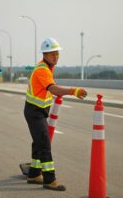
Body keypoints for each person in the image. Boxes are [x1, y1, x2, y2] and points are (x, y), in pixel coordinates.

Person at [24, 38, 87, 191]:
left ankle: (33, 174)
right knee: (44, 144)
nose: (56, 57)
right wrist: (73, 91)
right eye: (52, 54)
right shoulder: (42, 70)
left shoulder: (48, 67)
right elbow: (53, 89)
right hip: (35, 112)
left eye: (57, 54)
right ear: (45, 54)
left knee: (39, 142)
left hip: (38, 112)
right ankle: (49, 179)